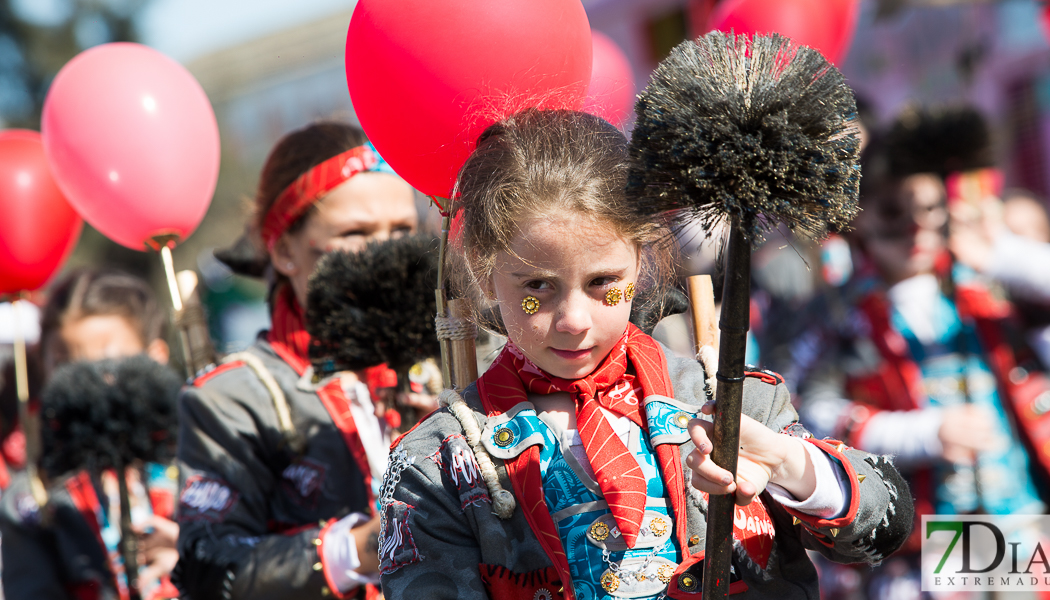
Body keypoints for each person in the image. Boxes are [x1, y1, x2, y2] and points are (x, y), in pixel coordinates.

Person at [377, 109, 911, 600]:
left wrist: (790, 464)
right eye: (536, 286)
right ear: (483, 269)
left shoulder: (727, 399)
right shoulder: (437, 465)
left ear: (642, 259)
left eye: (603, 283)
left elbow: (882, 528)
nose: (574, 320)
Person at [791, 109, 1050, 599]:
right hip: (928, 539)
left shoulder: (988, 288)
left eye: (930, 211)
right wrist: (925, 434)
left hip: (1029, 517)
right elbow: (812, 415)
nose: (916, 229)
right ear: (861, 219)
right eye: (894, 212)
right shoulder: (842, 315)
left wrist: (997, 249)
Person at [172, 122, 418, 599]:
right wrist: (362, 546)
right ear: (285, 250)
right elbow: (208, 568)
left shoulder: (466, 357)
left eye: (403, 230)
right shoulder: (232, 399)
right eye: (356, 232)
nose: (388, 252)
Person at [0, 268, 179, 599]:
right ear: (45, 369)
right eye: (67, 367)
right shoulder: (33, 504)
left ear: (155, 359)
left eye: (108, 365)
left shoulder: (198, 471)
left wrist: (194, 560)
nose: (88, 387)